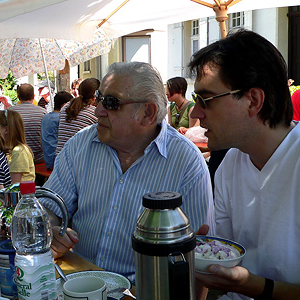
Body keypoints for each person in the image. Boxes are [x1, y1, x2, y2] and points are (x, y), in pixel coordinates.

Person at [41, 62, 215, 282]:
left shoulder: (186, 162)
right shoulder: (80, 145)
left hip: (145, 291)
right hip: (80, 282)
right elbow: (50, 208)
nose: (98, 110)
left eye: (111, 103)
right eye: (99, 97)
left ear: (147, 113)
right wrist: (52, 229)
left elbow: (198, 255)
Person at [189, 30, 300, 300]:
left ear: (253, 100)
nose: (195, 113)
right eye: (195, 101)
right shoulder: (230, 163)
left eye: (206, 100)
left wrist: (254, 285)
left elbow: (244, 282)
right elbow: (230, 263)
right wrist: (208, 255)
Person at [55, 78, 99, 156]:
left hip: (59, 158)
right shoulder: (94, 113)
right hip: (76, 160)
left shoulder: (66, 107)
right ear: (95, 96)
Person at [0, 110, 35, 183]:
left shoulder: (19, 151)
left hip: (21, 193)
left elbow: (13, 186)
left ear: (6, 130)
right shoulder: (7, 150)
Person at [9, 83, 47, 164]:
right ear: (33, 96)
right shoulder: (43, 112)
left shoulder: (9, 112)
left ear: (18, 96)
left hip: (16, 156)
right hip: (38, 158)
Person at [41, 91, 73, 169]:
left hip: (47, 160)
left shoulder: (45, 117)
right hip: (57, 161)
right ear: (64, 105)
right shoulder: (61, 118)